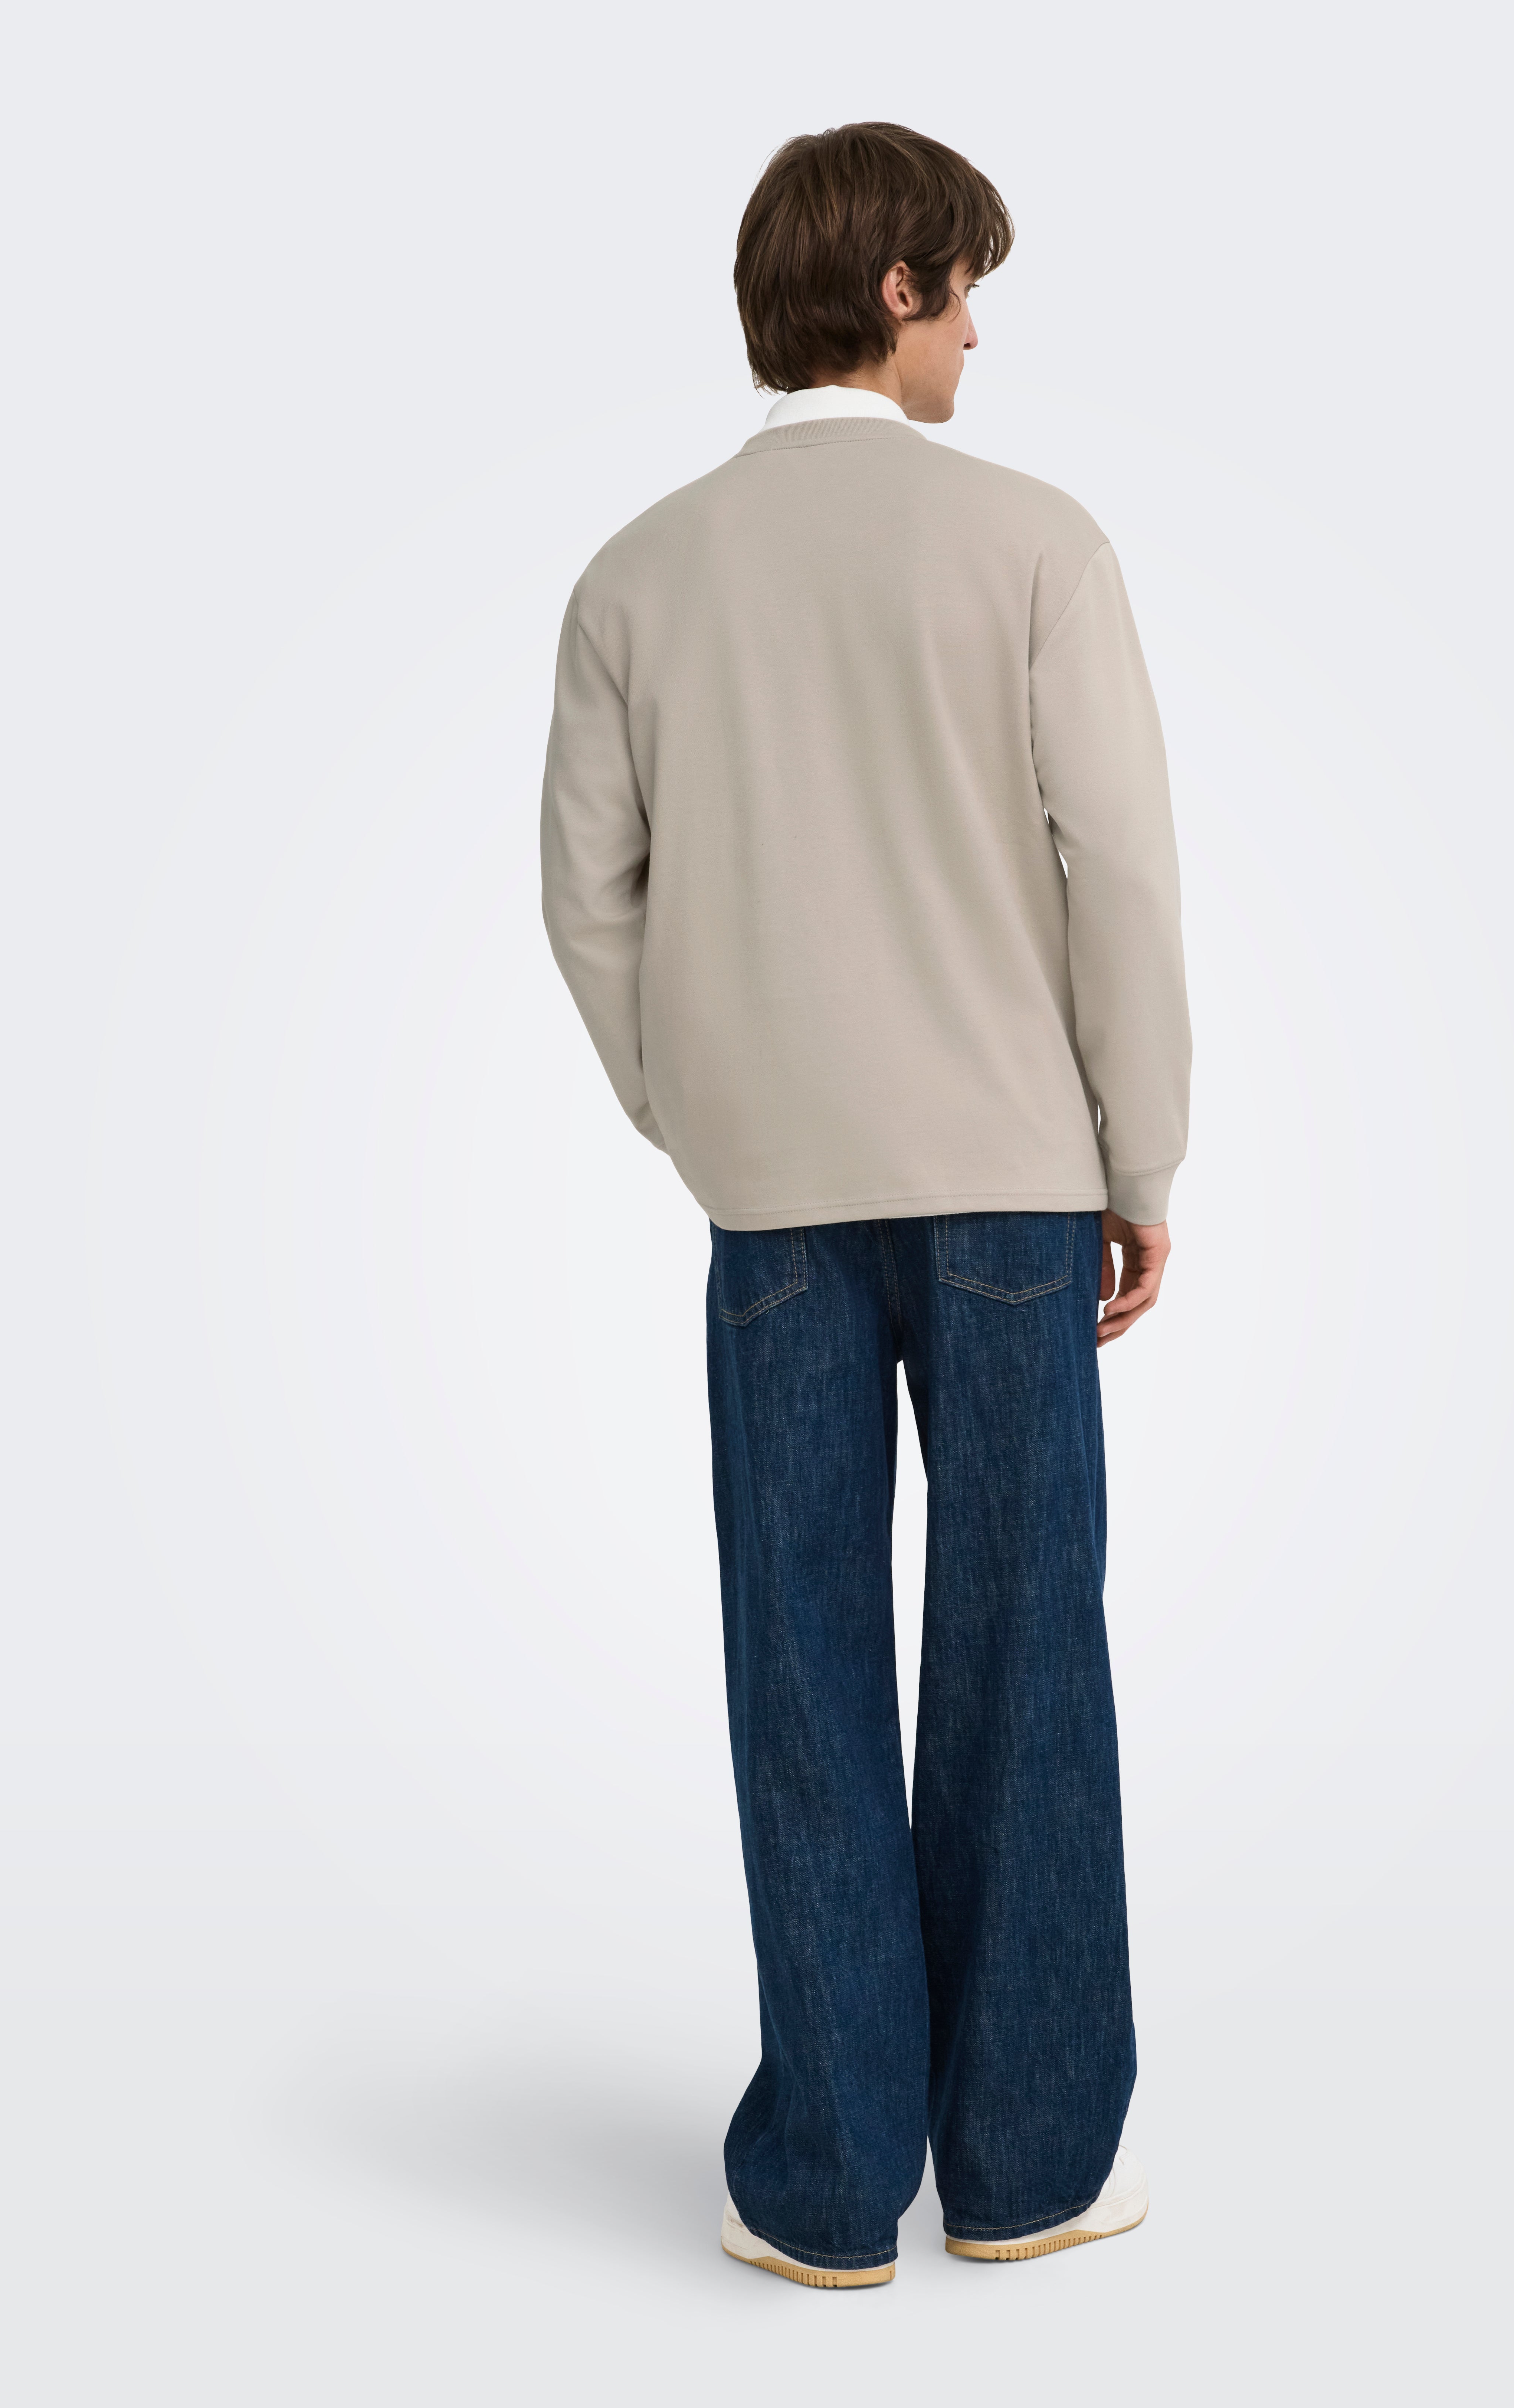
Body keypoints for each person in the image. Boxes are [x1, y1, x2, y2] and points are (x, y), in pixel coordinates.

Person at [541, 122, 1190, 2288]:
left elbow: (588, 899)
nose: (979, 333)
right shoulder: (1033, 543)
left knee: (799, 1661)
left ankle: (827, 2186)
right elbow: (1122, 868)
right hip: (1014, 1184)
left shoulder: (638, 573)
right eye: (966, 288)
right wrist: (1140, 1157)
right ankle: (1025, 2169)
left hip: (773, 1204)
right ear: (896, 288)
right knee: (1025, 1658)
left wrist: (698, 1113)